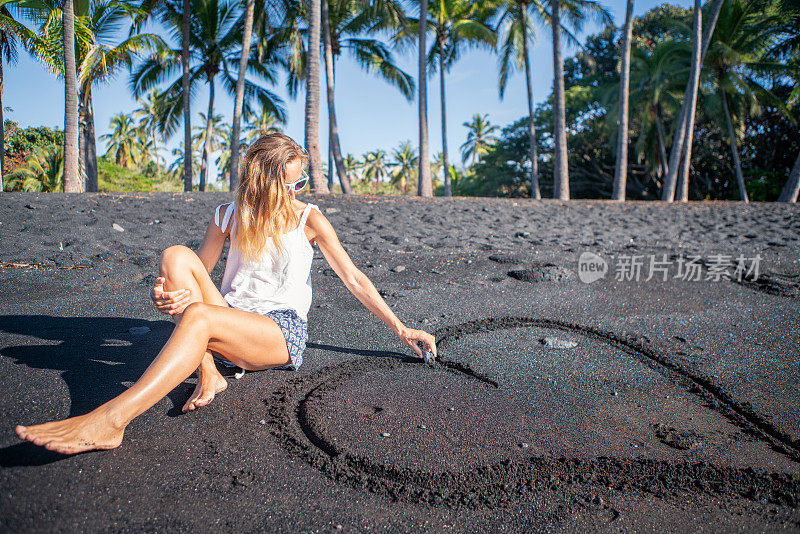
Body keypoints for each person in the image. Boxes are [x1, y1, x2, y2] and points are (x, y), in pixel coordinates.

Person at [15, 133, 437, 455]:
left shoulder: (309, 219)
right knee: (175, 257)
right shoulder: (228, 216)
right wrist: (163, 297)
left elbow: (355, 279)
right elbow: (192, 275)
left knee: (199, 316)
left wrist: (401, 329)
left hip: (276, 333)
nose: (299, 190)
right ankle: (209, 372)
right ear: (269, 182)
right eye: (294, 182)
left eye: (302, 181)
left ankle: (111, 419)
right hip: (229, 318)